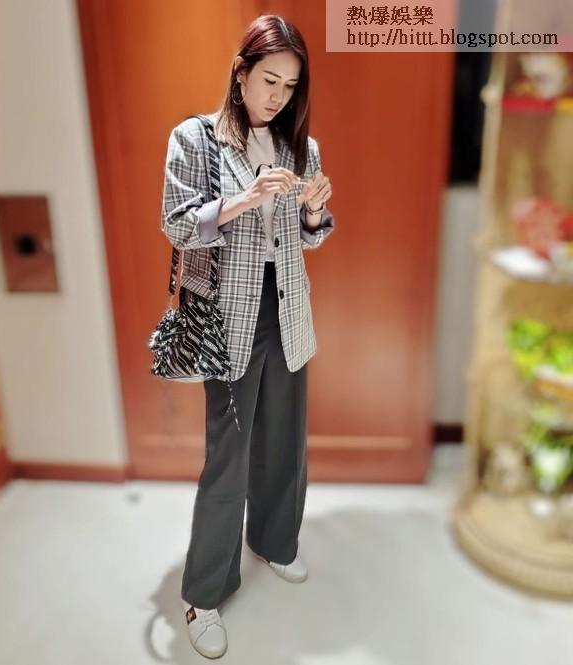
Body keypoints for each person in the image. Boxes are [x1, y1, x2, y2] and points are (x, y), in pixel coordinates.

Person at [160, 14, 335, 659]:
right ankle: (203, 593)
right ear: (241, 73)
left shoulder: (301, 148)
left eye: (290, 86)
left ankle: (275, 541)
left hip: (287, 313)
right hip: (228, 320)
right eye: (269, 80)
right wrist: (244, 199)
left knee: (286, 442)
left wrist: (313, 211)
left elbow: (310, 239)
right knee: (228, 459)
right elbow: (177, 224)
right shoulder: (196, 139)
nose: (278, 97)